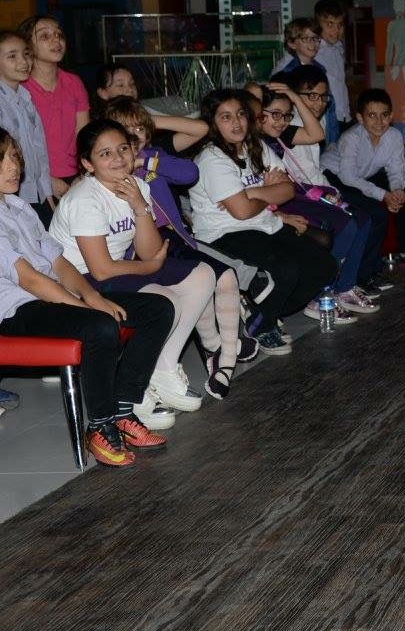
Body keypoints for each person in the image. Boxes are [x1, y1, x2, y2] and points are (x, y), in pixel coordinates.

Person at [0, 129, 176, 466]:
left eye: (15, 157)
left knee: (158, 308)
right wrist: (85, 307)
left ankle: (122, 411)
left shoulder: (19, 207)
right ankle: (99, 426)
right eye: (4, 160)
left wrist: (91, 295)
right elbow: (30, 280)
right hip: (15, 309)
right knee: (100, 325)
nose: (14, 167)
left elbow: (58, 262)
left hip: (49, 296)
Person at [49, 120, 218, 421]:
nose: (117, 158)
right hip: (79, 281)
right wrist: (149, 267)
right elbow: (102, 270)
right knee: (163, 299)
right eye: (105, 154)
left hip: (116, 270)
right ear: (88, 164)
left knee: (202, 275)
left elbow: (150, 251)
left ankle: (163, 368)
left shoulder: (137, 186)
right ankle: (134, 393)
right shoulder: (85, 199)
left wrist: (140, 206)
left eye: (123, 149)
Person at [104, 97, 259, 398]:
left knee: (224, 276)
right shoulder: (111, 171)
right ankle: (219, 351)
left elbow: (190, 173)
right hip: (141, 248)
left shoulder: (153, 156)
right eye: (125, 131)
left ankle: (224, 358)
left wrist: (146, 154)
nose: (134, 136)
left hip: (175, 237)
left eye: (140, 129)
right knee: (204, 279)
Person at [187, 90, 339, 353]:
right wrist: (265, 193)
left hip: (264, 224)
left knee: (324, 266)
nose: (236, 123)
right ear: (212, 123)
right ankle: (262, 325)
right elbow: (241, 213)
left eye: (240, 114)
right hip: (225, 233)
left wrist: (252, 193)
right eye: (226, 117)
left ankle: (263, 311)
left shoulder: (255, 146)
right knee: (286, 269)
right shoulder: (212, 159)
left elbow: (287, 190)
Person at [258, 83, 377, 318]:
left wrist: (294, 97)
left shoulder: (281, 133)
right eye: (275, 114)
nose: (281, 122)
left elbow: (317, 134)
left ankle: (345, 287)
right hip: (282, 198)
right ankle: (322, 295)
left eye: (286, 115)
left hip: (295, 191)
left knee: (363, 219)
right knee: (346, 224)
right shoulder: (254, 138)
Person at [323, 88, 405, 278]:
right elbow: (348, 177)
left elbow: (396, 169)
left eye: (384, 115)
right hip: (335, 177)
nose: (379, 122)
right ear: (360, 118)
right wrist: (383, 195)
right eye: (372, 116)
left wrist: (396, 190)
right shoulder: (351, 138)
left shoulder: (394, 136)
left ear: (391, 116)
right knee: (375, 212)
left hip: (365, 174)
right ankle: (364, 270)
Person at [19, 14, 88, 193]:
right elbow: (18, 142)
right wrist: (45, 179)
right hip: (33, 178)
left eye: (59, 34)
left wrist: (84, 172)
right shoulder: (20, 87)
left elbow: (83, 133)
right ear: (27, 46)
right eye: (45, 36)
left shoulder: (74, 82)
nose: (56, 40)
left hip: (76, 176)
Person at [274, 0, 350, 144]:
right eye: (330, 24)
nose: (336, 30)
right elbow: (284, 68)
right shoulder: (311, 50)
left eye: (340, 25)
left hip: (339, 114)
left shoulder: (338, 48)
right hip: (315, 114)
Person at [0, 29, 54, 224]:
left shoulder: (25, 97)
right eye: (12, 56)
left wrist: (47, 192)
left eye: (26, 54)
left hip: (34, 193)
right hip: (9, 193)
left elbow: (39, 149)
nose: (23, 62)